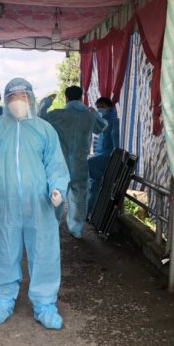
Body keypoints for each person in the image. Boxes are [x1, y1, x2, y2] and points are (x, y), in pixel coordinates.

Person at [0, 77, 70, 330]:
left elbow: (55, 164)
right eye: (12, 98)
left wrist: (57, 188)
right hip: (4, 206)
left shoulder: (44, 130)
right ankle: (3, 299)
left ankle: (45, 304)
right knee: (3, 250)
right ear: (6, 101)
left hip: (40, 204)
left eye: (22, 97)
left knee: (44, 252)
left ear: (31, 99)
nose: (17, 102)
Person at [38, 86, 107, 239]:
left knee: (56, 195)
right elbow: (101, 127)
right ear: (81, 97)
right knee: (79, 197)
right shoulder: (89, 116)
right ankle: (76, 229)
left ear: (66, 98)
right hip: (80, 163)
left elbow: (40, 119)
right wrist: (95, 113)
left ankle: (52, 226)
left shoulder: (58, 115)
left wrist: (46, 102)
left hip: (60, 165)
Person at [87, 97, 120, 216]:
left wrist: (115, 157)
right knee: (92, 186)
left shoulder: (114, 121)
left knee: (89, 166)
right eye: (98, 107)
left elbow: (116, 143)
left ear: (109, 107)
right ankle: (90, 211)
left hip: (108, 155)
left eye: (102, 106)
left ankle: (91, 211)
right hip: (100, 155)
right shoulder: (102, 121)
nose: (99, 109)